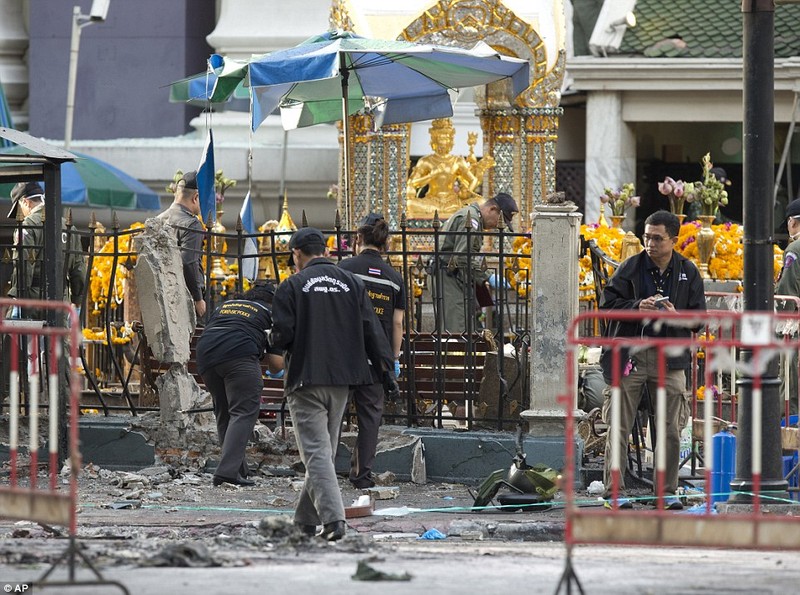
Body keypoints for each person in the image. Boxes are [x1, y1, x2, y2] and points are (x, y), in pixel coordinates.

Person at [269, 227, 397, 541]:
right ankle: (304, 521)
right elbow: (373, 333)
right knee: (321, 452)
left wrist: (269, 338)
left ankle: (334, 520)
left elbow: (282, 335)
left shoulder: (292, 285)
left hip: (307, 379)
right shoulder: (353, 284)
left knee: (315, 453)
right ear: (325, 250)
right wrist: (387, 375)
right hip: (343, 381)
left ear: (297, 253)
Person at [599, 210, 706, 510]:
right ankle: (614, 492)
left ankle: (666, 491)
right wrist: (636, 306)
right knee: (619, 424)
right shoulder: (630, 268)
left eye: (657, 238)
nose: (650, 243)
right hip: (630, 354)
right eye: (646, 236)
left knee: (671, 427)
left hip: (670, 357)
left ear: (674, 240)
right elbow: (606, 305)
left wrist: (677, 317)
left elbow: (700, 318)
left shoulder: (688, 271)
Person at [338, 213, 405, 489]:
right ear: (385, 243)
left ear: (358, 239)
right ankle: (362, 475)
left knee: (334, 413)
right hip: (376, 358)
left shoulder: (344, 268)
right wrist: (394, 359)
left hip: (343, 352)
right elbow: (397, 322)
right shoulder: (394, 277)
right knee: (370, 417)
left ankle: (324, 469)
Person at [195, 283, 284, 487]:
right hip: (239, 354)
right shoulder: (270, 314)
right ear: (272, 301)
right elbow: (276, 364)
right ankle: (227, 472)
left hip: (206, 356)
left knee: (225, 412)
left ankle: (238, 469)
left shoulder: (226, 306)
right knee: (244, 412)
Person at [430, 192, 519, 333]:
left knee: (462, 326)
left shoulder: (471, 216)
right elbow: (463, 257)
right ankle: (454, 356)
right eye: (500, 220)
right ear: (492, 209)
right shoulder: (471, 219)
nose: (498, 226)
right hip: (447, 277)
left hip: (452, 276)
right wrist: (487, 276)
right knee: (456, 330)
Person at [6, 181, 85, 317]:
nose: (22, 214)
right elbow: (78, 268)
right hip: (61, 297)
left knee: (19, 337)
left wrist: (18, 298)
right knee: (57, 337)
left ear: (25, 202)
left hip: (33, 298)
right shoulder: (68, 228)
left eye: (19, 208)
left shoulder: (28, 225)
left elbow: (23, 265)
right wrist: (77, 299)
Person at [405, 118, 495, 220]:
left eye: (446, 138)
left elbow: (473, 180)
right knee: (409, 204)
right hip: (431, 201)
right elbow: (412, 183)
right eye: (440, 138)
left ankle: (451, 212)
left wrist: (467, 190)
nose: (443, 142)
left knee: (482, 202)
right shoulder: (426, 161)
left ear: (450, 140)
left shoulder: (457, 161)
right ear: (434, 139)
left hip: (452, 202)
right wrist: (431, 175)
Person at [157, 170, 206, 319]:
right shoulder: (191, 223)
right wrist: (198, 299)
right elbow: (188, 262)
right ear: (196, 197)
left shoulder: (158, 219)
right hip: (184, 301)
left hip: (160, 295)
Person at [775, 198, 800, 417]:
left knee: (790, 381)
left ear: (792, 222)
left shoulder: (794, 249)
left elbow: (787, 291)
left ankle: (791, 428)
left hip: (795, 327)